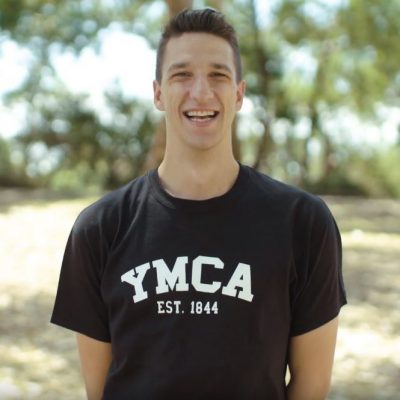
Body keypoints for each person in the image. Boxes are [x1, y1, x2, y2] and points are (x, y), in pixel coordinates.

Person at [51, 8, 347, 400]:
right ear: (158, 93)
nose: (201, 92)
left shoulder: (303, 223)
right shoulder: (99, 229)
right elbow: (101, 389)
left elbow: (311, 387)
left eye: (218, 75)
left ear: (239, 94)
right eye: (182, 75)